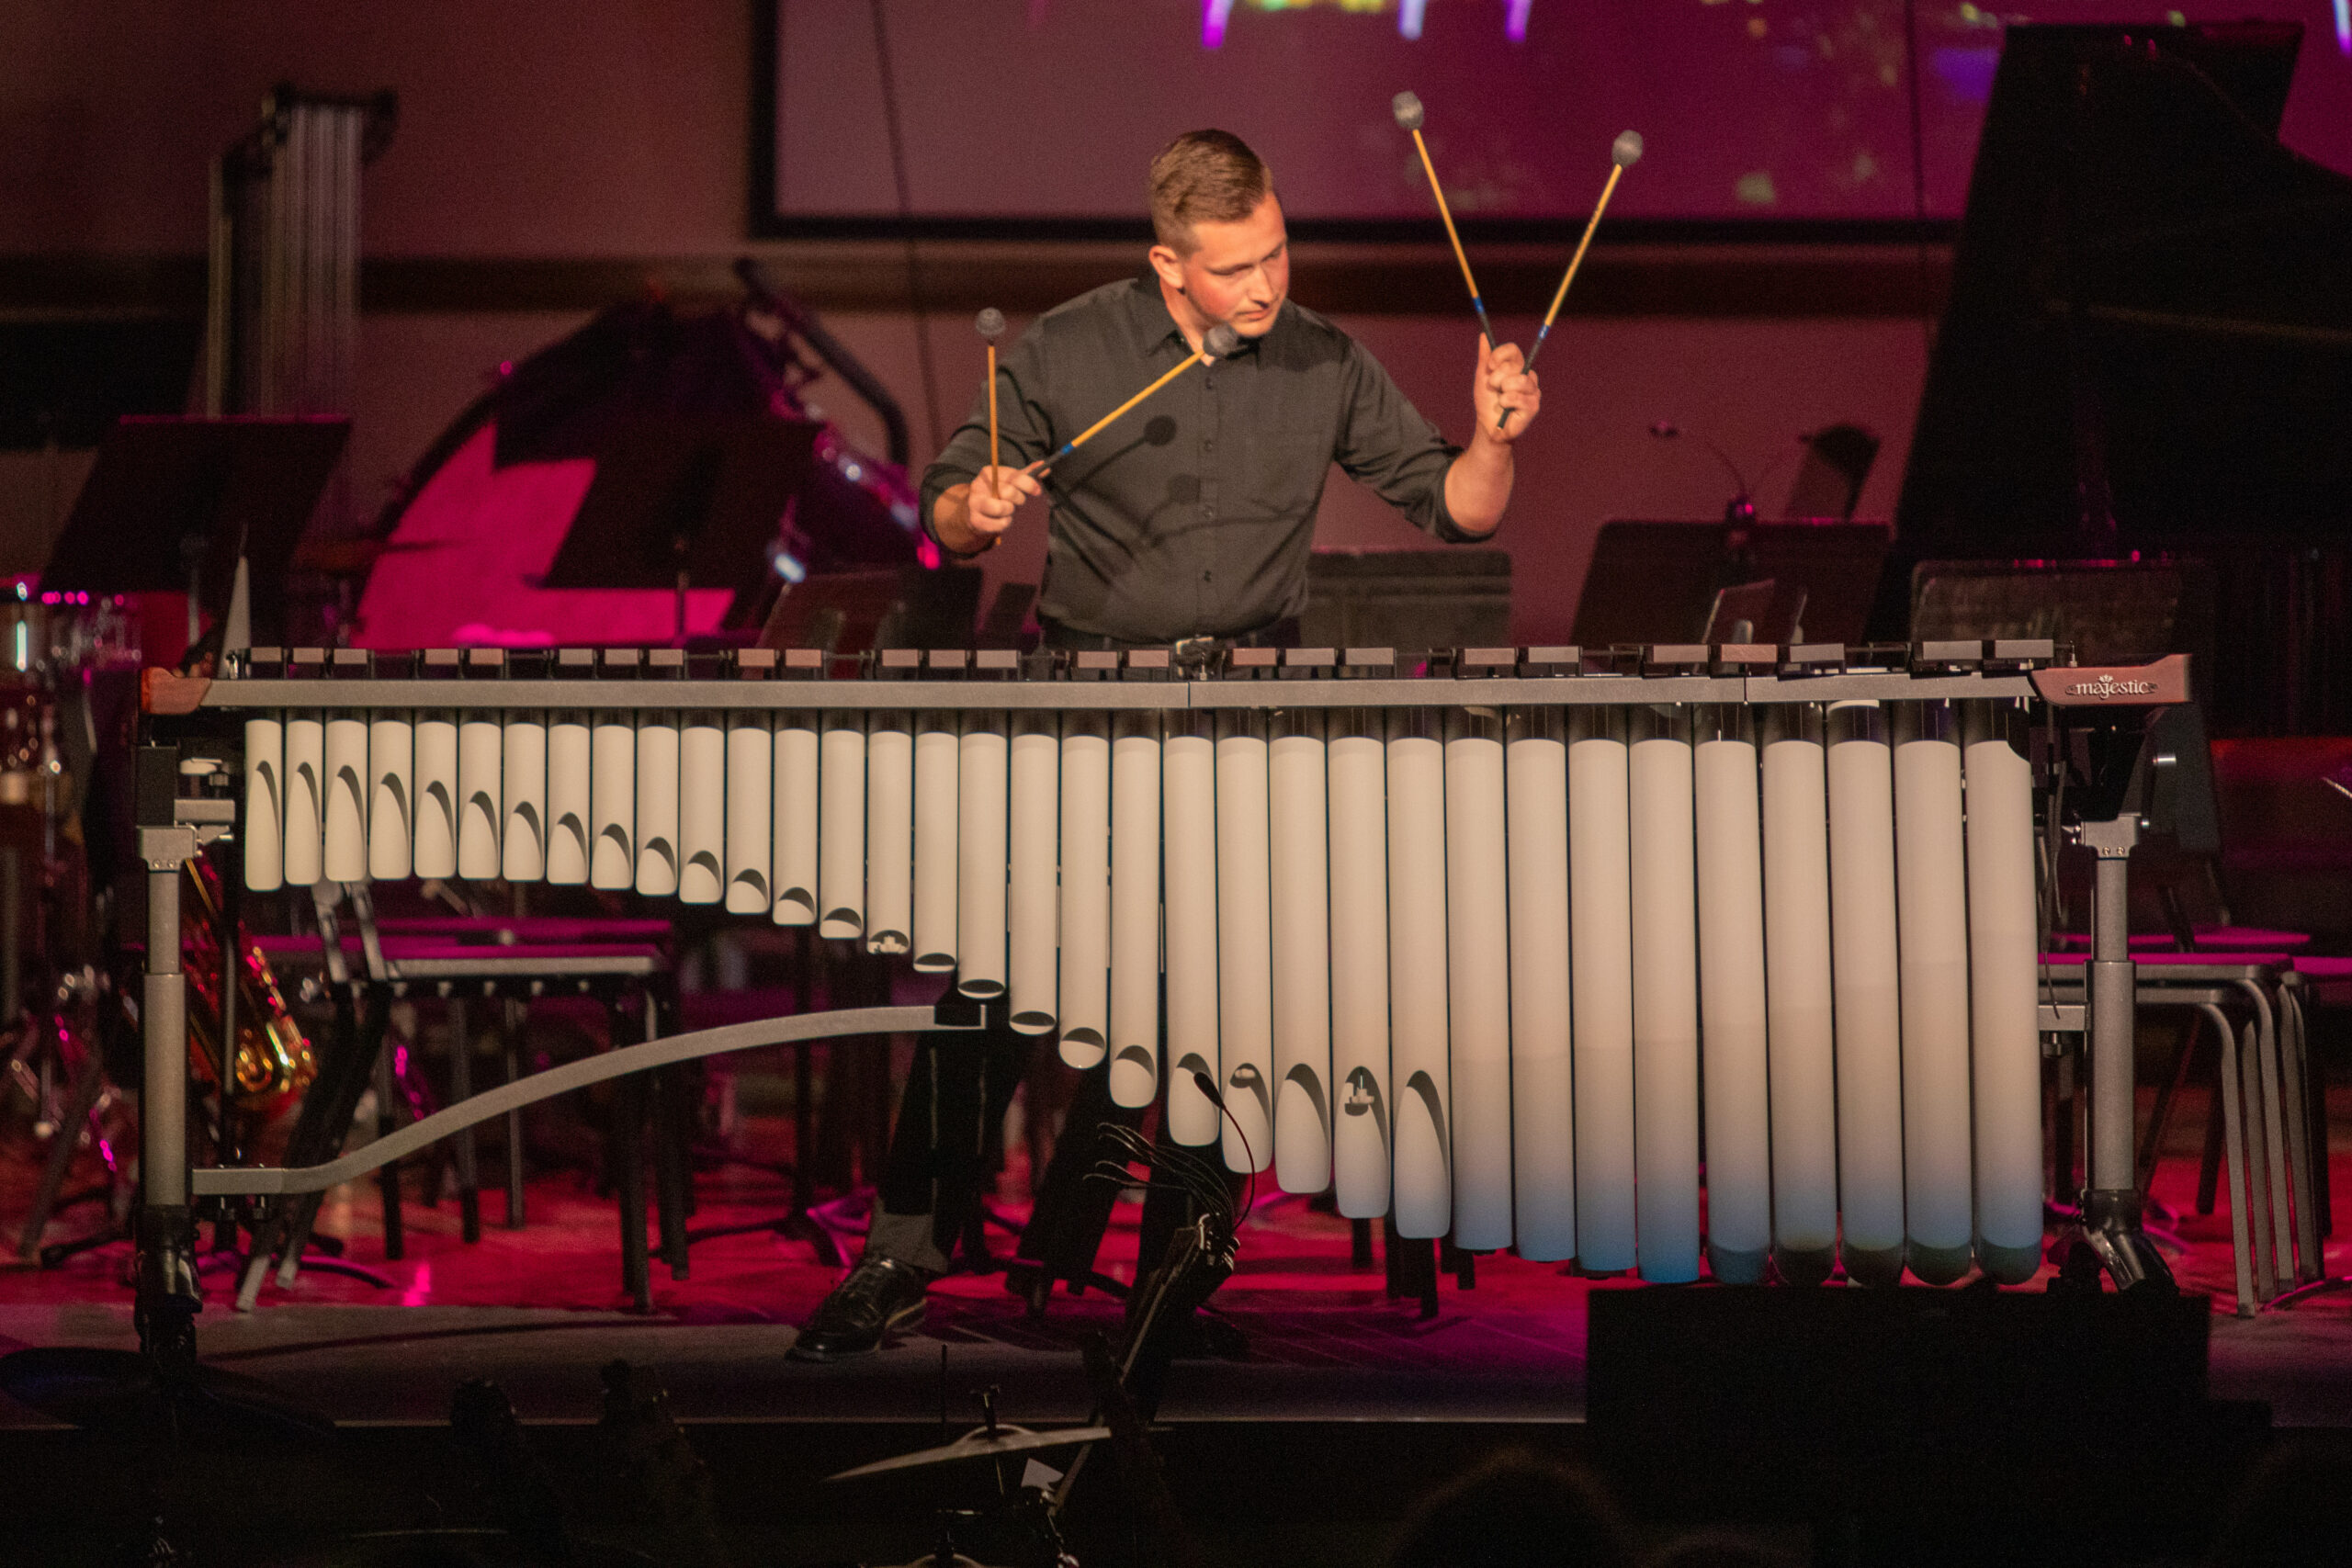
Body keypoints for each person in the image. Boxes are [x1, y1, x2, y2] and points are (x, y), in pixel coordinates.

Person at [789, 126, 1539, 1360]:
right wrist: (971, 512)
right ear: (1168, 264)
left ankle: (1177, 1273)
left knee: (1216, 1012)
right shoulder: (1075, 348)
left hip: (1242, 724)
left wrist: (1496, 437)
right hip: (1085, 711)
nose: (1268, 285)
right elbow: (955, 504)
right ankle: (899, 1256)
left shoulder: (1320, 361)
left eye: (1279, 253)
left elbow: (1455, 504)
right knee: (998, 987)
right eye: (1238, 268)